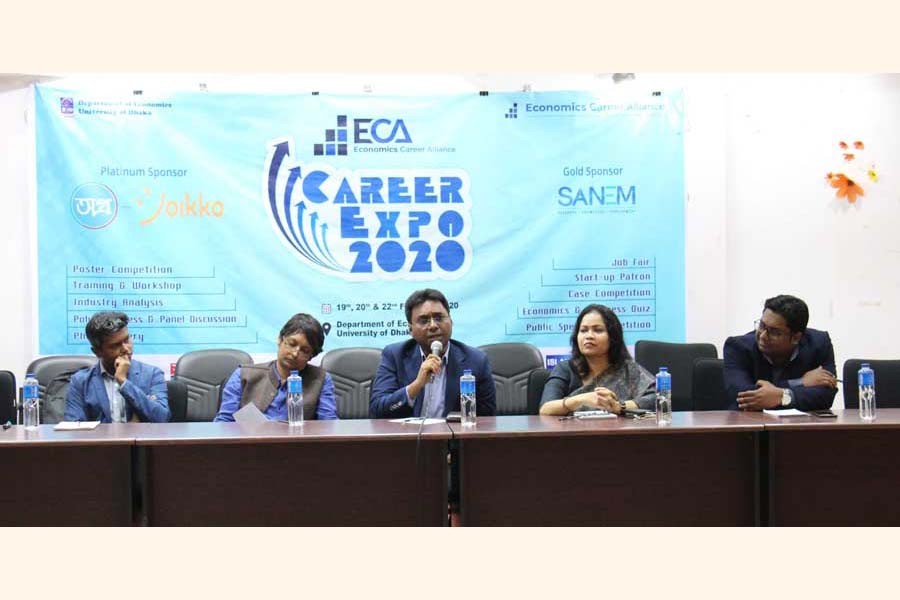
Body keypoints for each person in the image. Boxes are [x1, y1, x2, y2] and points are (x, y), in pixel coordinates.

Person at [370, 288, 496, 419]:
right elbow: (377, 410)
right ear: (410, 329)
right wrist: (417, 385)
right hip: (408, 437)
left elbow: (487, 418)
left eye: (439, 318)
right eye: (424, 320)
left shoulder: (476, 360)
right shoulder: (394, 356)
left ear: (451, 322)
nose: (433, 325)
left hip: (453, 437)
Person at [214, 313, 338, 421]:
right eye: (291, 344)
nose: (295, 353)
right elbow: (224, 422)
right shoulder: (243, 375)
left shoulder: (321, 380)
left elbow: (328, 424)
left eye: (304, 350)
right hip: (250, 446)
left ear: (311, 356)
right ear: (280, 339)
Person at [724, 294, 837, 411]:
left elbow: (825, 396)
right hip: (751, 425)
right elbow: (743, 397)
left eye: (773, 332)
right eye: (762, 325)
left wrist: (779, 396)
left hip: (800, 425)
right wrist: (799, 383)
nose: (762, 336)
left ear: (796, 338)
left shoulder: (818, 344)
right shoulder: (738, 347)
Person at [539, 304, 655, 416]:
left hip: (618, 433)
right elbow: (545, 408)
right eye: (583, 330)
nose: (589, 336)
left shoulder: (628, 370)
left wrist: (619, 406)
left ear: (613, 337)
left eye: (598, 330)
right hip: (574, 434)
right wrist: (581, 399)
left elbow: (658, 398)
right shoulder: (565, 369)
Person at [65, 311, 170, 422]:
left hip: (139, 438)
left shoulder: (152, 374)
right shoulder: (80, 382)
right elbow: (75, 430)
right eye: (115, 345)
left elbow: (162, 419)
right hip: (101, 439)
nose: (126, 348)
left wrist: (124, 382)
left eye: (127, 340)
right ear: (97, 352)